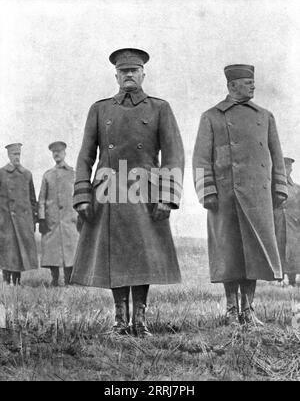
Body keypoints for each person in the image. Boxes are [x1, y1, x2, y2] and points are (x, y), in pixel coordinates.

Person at [71, 48, 185, 337]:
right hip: (108, 192)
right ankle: (120, 321)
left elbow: (173, 155)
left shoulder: (160, 108)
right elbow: (85, 156)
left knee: (142, 257)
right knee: (116, 256)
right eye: (124, 71)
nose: (129, 75)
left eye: (134, 70)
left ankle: (140, 321)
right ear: (116, 75)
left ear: (143, 74)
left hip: (145, 193)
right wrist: (83, 195)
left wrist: (168, 198)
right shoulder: (100, 109)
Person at [193, 64, 287, 326]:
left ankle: (249, 309)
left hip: (258, 197)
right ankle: (232, 310)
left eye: (253, 81)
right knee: (229, 254)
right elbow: (200, 159)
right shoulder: (212, 116)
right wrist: (207, 192)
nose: (252, 86)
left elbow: (276, 156)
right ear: (232, 86)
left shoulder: (265, 116)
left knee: (255, 253)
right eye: (247, 82)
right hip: (225, 197)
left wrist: (279, 187)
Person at [38, 141, 79, 287]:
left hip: (69, 218)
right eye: (54, 152)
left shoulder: (73, 174)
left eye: (59, 151)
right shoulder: (48, 175)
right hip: (52, 220)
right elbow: (41, 198)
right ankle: (54, 279)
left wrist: (78, 215)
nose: (57, 154)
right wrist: (42, 219)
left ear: (64, 153)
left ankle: (69, 279)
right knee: (52, 251)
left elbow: (78, 196)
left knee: (71, 249)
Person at [0, 143, 38, 285]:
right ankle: (5, 280)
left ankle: (17, 281)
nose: (17, 157)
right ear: (9, 155)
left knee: (19, 251)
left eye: (18, 154)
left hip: (23, 220)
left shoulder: (27, 174)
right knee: (7, 250)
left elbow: (32, 199)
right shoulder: (1, 173)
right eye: (14, 154)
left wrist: (33, 220)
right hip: (6, 219)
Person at [274, 157, 300, 287]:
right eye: (284, 167)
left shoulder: (297, 188)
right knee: (278, 248)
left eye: (289, 168)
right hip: (278, 223)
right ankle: (279, 279)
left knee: (293, 250)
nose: (287, 170)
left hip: (293, 225)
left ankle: (292, 280)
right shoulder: (272, 187)